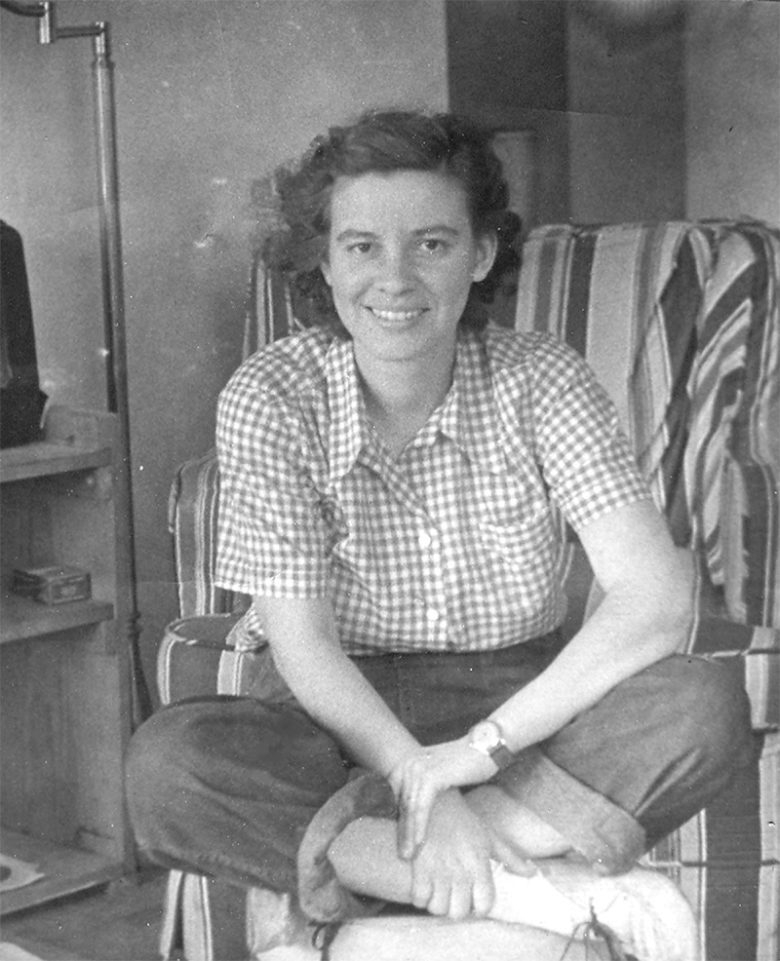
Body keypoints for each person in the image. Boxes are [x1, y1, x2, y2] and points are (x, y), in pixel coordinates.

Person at [126, 109, 752, 961]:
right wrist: (422, 783)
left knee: (700, 705)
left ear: (482, 253)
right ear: (325, 260)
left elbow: (655, 596)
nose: (395, 279)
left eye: (431, 243)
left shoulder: (543, 378)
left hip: (515, 707)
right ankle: (531, 895)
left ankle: (365, 903)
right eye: (362, 246)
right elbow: (304, 648)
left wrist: (471, 757)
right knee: (168, 764)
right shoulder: (270, 395)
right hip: (333, 714)